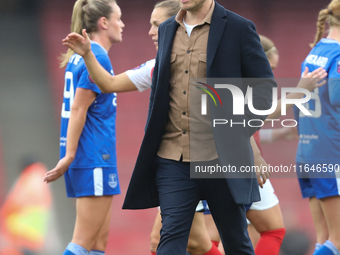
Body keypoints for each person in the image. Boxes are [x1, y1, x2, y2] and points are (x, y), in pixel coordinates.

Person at [43, 1, 125, 255]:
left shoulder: (80, 57)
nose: (122, 24)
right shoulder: (97, 57)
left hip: (90, 157)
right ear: (104, 23)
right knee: (81, 244)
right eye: (118, 18)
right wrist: (69, 155)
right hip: (93, 157)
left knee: (97, 243)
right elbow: (78, 109)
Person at [294, 1, 340, 255]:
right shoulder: (339, 53)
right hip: (330, 151)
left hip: (309, 150)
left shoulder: (317, 50)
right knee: (338, 240)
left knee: (324, 239)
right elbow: (337, 95)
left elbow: (298, 100)